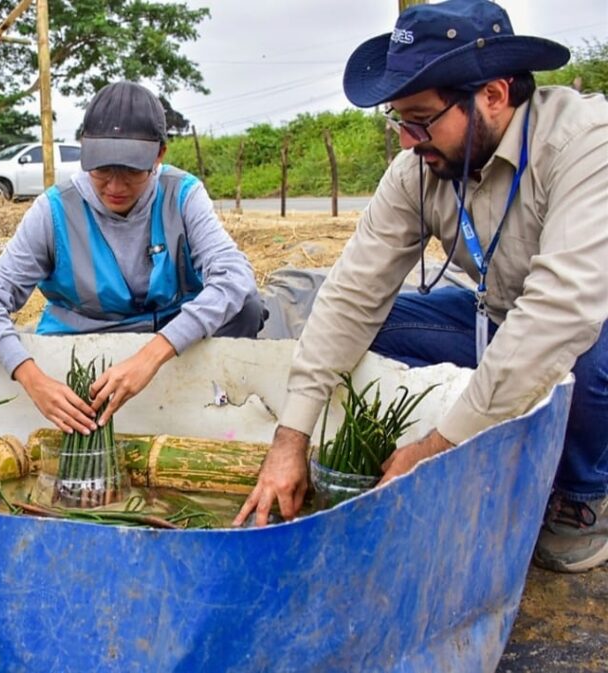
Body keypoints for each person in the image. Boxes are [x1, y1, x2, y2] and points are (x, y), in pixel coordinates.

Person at [234, 0, 607, 573]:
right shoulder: (419, 169)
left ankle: (583, 496)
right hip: (500, 316)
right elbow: (352, 295)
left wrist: (437, 449)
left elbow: (559, 314)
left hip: (588, 321)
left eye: (421, 119)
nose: (408, 141)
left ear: (494, 95)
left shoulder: (585, 143)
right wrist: (292, 438)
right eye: (398, 121)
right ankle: (470, 440)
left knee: (586, 354)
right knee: (369, 329)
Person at [0, 81, 265, 435]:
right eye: (103, 170)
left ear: (159, 156)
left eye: (132, 171)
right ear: (84, 153)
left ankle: (205, 410)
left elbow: (234, 276)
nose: (115, 187)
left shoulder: (182, 194)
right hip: (80, 344)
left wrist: (152, 354)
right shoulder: (55, 209)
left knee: (247, 307)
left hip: (168, 336)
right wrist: (32, 378)